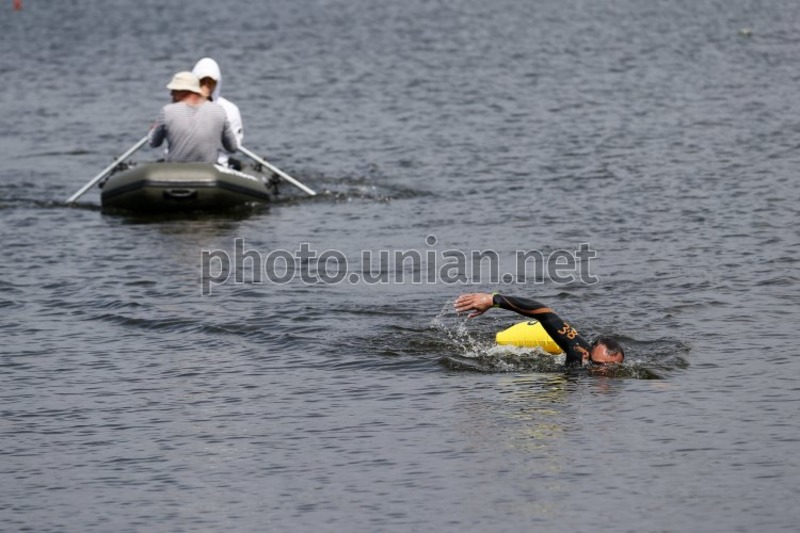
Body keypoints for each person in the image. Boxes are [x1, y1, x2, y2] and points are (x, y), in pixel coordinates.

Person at [454, 292, 624, 367]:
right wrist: (493, 300)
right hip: (521, 336)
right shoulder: (577, 352)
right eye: (599, 365)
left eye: (612, 368)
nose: (605, 374)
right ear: (587, 356)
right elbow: (544, 313)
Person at [148, 71, 238, 164]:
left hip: (175, 171)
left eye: (174, 90)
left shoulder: (167, 111)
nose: (171, 94)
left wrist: (153, 129)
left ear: (182, 91)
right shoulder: (219, 110)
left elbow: (153, 143)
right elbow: (233, 148)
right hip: (209, 172)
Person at [192, 57, 244, 169]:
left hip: (217, 165)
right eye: (203, 82)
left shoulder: (230, 110)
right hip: (181, 163)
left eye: (211, 82)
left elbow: (234, 146)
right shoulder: (179, 107)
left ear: (217, 83)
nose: (207, 87)